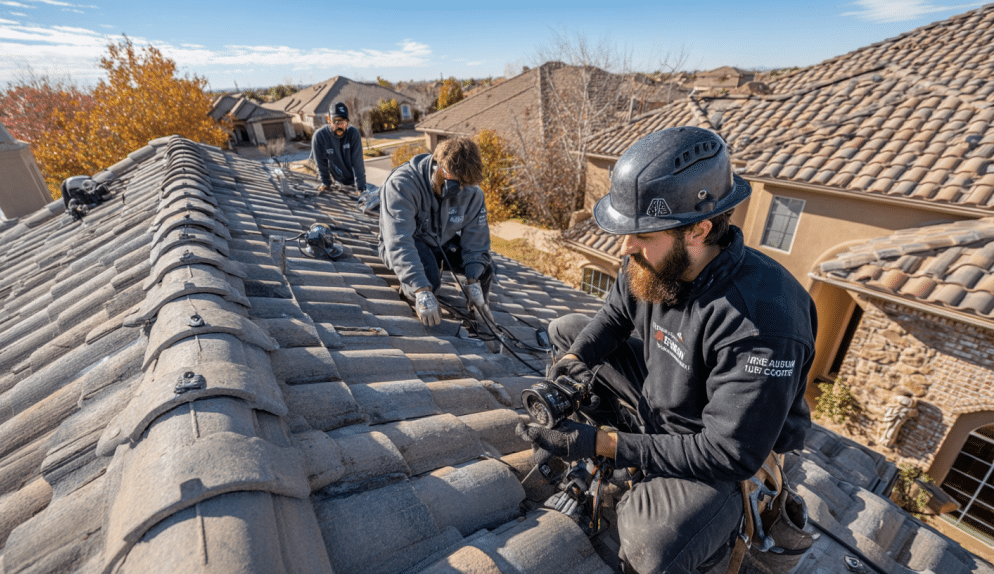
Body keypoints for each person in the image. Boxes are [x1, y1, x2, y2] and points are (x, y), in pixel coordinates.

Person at [516, 126, 817, 574]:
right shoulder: (651, 260)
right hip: (661, 402)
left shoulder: (764, 323)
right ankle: (626, 436)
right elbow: (613, 319)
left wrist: (600, 443)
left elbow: (728, 453)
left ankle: (708, 523)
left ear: (699, 229)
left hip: (717, 450)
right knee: (567, 331)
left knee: (650, 546)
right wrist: (574, 365)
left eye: (642, 234)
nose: (625, 246)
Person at [378, 136, 495, 328]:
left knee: (485, 268)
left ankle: (476, 311)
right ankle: (413, 298)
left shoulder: (471, 193)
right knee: (430, 282)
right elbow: (399, 241)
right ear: (437, 167)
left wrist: (473, 282)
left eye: (465, 185)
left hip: (441, 242)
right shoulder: (402, 184)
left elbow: (476, 241)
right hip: (410, 243)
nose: (460, 191)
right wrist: (421, 290)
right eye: (456, 183)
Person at [312, 102, 366, 193]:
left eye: (343, 122)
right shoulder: (320, 137)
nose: (340, 126)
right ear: (328, 120)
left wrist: (361, 188)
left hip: (354, 182)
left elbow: (358, 164)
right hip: (338, 182)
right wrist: (325, 183)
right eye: (336, 122)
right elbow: (321, 164)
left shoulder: (353, 134)